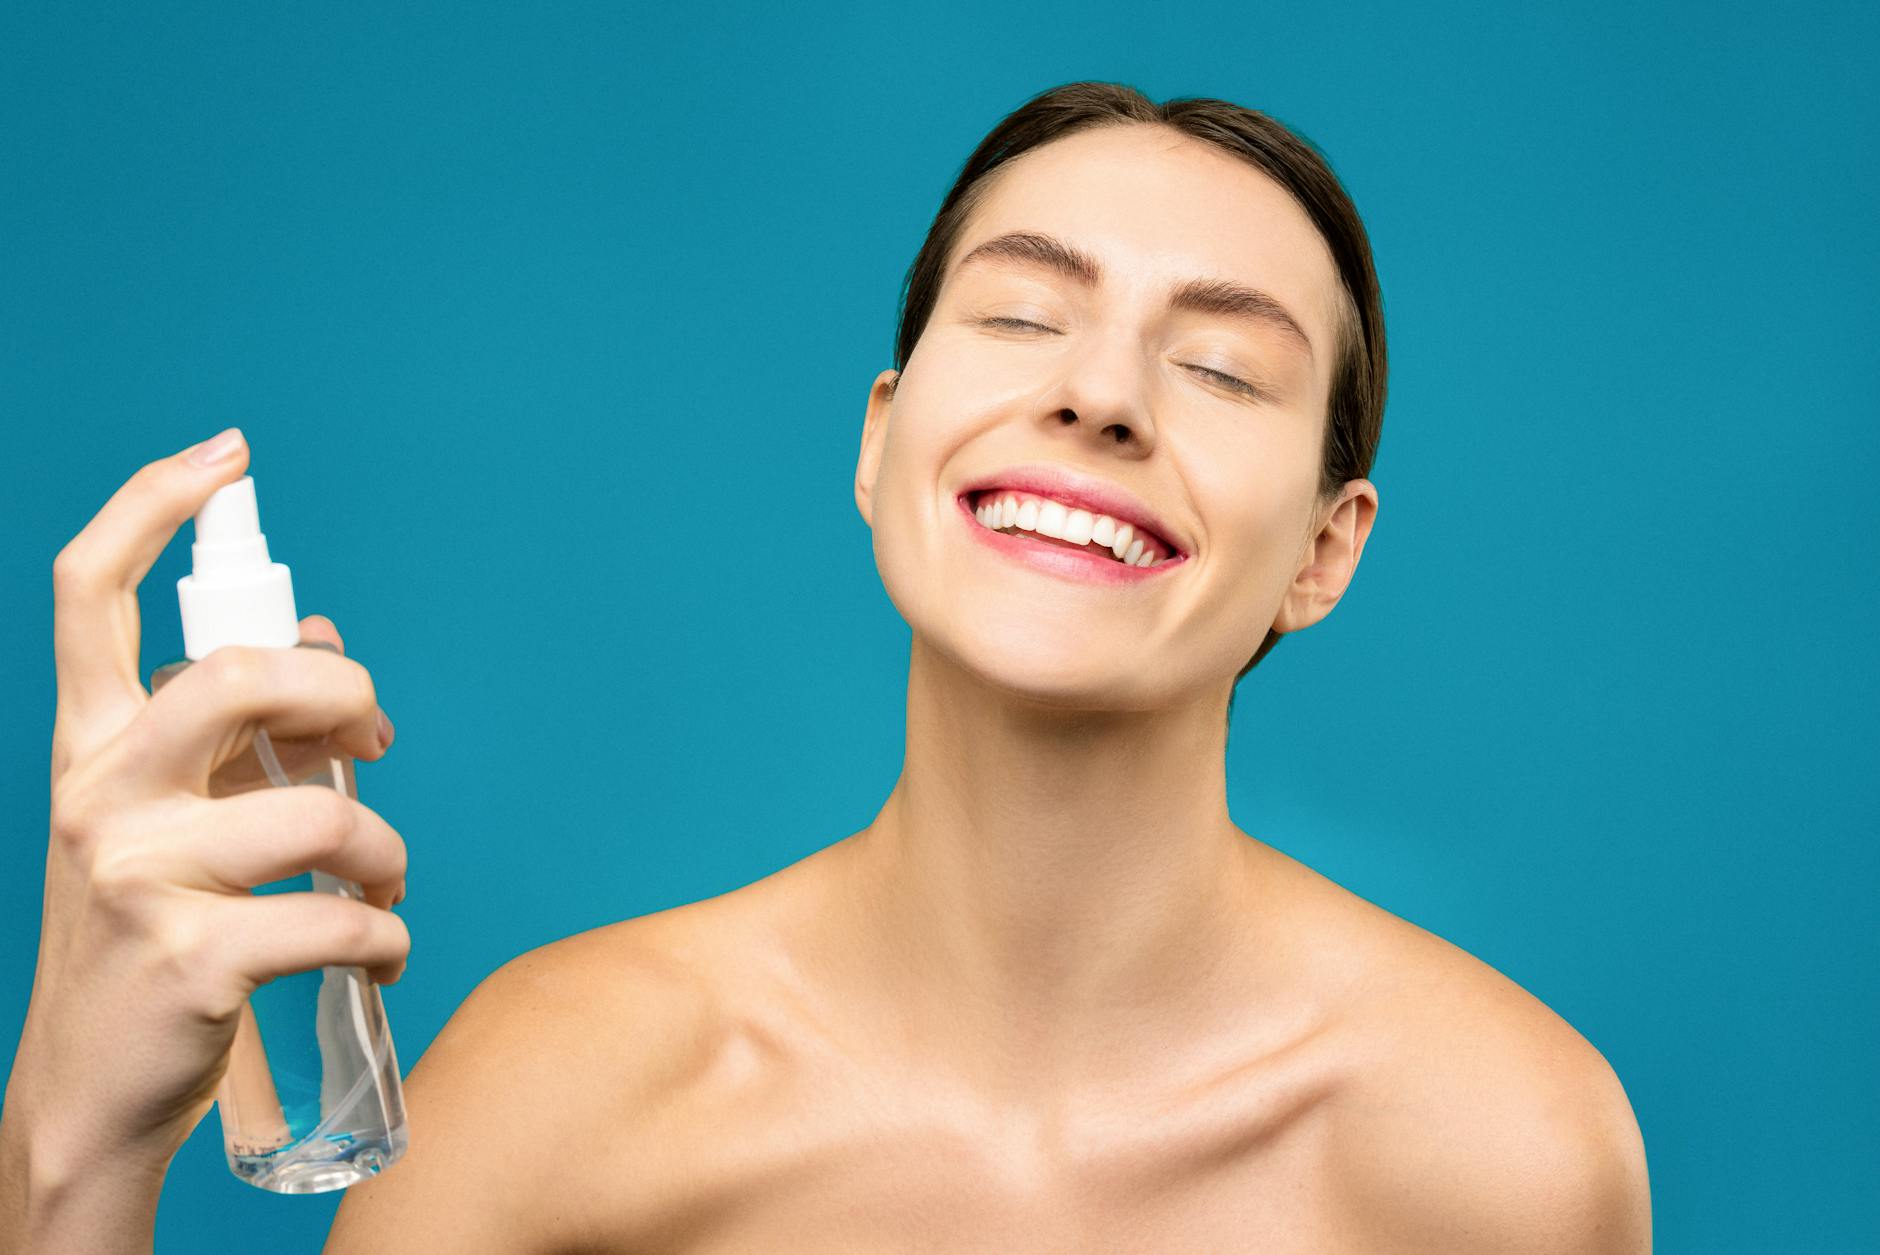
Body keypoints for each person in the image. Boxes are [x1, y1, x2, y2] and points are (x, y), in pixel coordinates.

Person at [2, 81, 1651, 1252]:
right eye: (1018, 318)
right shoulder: (555, 1098)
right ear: (882, 448)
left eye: (1221, 364)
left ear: (1323, 549)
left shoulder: (1505, 1149)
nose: (1104, 394)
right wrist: (75, 1158)